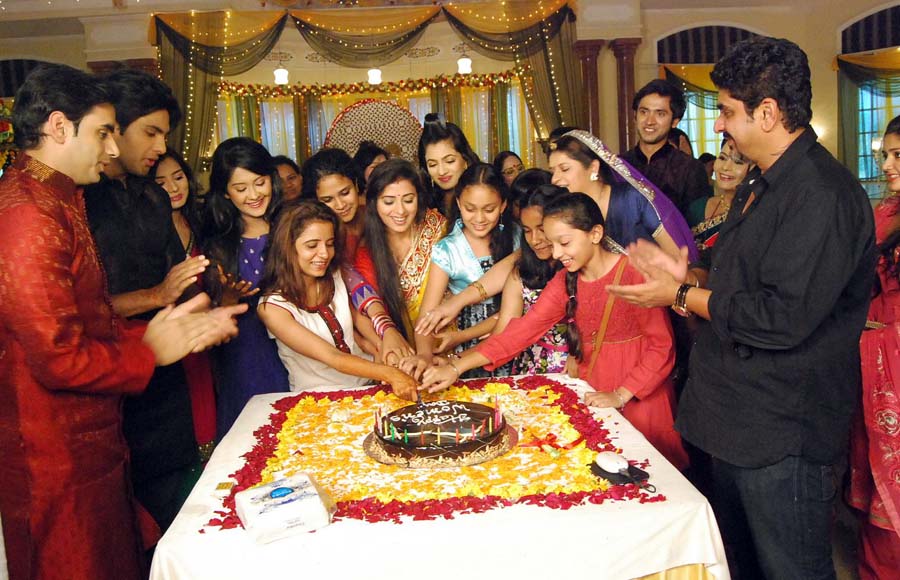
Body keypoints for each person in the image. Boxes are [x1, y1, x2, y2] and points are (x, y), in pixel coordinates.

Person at [607, 37, 876, 579]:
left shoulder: (822, 194)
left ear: (769, 113)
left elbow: (781, 317)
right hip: (730, 419)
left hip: (782, 431)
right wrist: (688, 275)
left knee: (790, 569)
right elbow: (738, 279)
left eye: (728, 112)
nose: (718, 127)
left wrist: (679, 296)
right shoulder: (760, 181)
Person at [0, 64, 241, 580]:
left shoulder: (57, 201)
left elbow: (87, 318)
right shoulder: (27, 216)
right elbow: (58, 354)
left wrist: (164, 333)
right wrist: (149, 348)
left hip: (92, 440)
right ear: (60, 128)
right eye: (104, 133)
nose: (113, 150)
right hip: (56, 454)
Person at [420, 193, 688, 469]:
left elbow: (662, 347)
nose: (556, 253)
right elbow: (520, 332)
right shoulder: (565, 281)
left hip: (641, 398)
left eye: (565, 242)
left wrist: (621, 394)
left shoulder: (634, 273)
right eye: (553, 243)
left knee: (648, 480)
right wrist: (456, 367)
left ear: (595, 233)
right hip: (594, 389)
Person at [83, 67, 209, 536]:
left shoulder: (152, 198)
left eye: (164, 134)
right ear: (114, 128)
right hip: (113, 375)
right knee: (121, 521)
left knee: (177, 504)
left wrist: (207, 309)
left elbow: (176, 280)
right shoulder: (81, 202)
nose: (160, 147)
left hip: (168, 378)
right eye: (150, 133)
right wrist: (155, 297)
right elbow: (80, 309)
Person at [257, 200, 417, 398]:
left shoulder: (335, 276)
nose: (324, 254)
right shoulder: (272, 308)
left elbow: (357, 321)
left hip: (368, 387)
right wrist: (390, 373)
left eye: (330, 244)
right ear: (287, 247)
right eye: (312, 245)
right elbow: (334, 358)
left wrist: (384, 348)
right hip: (318, 401)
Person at [200, 137, 291, 439]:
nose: (254, 195)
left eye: (260, 182)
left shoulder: (292, 227)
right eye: (241, 189)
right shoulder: (219, 245)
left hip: (300, 350)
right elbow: (211, 321)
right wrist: (227, 301)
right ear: (225, 193)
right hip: (247, 358)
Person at [301, 147, 414, 364]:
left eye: (345, 193)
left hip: (401, 307)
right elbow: (351, 288)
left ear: (355, 183)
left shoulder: (378, 212)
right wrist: (379, 340)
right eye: (328, 200)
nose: (341, 205)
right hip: (354, 321)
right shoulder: (324, 236)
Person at [405, 163, 518, 378]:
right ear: (458, 202)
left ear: (503, 205)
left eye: (489, 209)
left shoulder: (518, 238)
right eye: (470, 208)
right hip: (466, 349)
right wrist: (425, 355)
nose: (479, 218)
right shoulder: (447, 249)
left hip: (513, 339)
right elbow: (428, 314)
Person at [848, 115, 900, 579]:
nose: (886, 164)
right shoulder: (883, 214)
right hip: (878, 360)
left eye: (897, 155)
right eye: (884, 153)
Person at [150, 148, 218, 462]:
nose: (174, 188)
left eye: (178, 178)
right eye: (162, 182)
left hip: (216, 323)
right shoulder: (150, 232)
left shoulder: (201, 220)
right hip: (178, 329)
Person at [549, 130, 698, 262]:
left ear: (594, 167)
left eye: (564, 169)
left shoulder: (631, 200)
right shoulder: (568, 214)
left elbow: (678, 259)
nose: (554, 179)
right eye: (552, 171)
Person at [354, 159, 447, 339]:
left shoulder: (438, 229)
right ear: (373, 203)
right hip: (408, 352)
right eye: (389, 202)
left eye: (408, 200)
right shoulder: (368, 252)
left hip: (457, 341)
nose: (400, 211)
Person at [494, 184, 568, 375]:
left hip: (576, 370)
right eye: (527, 230)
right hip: (530, 372)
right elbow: (504, 333)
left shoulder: (578, 270)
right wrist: (454, 362)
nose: (534, 239)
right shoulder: (522, 273)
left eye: (541, 229)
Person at [620, 79, 711, 215]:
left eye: (660, 114)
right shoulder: (619, 164)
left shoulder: (690, 169)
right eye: (644, 112)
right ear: (635, 116)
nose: (649, 121)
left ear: (675, 122)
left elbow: (697, 226)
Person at [685, 137, 750, 251]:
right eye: (722, 158)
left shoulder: (756, 212)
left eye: (738, 162)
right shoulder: (698, 207)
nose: (725, 167)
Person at [418, 113, 479, 214]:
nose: (441, 171)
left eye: (450, 161)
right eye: (432, 164)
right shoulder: (425, 206)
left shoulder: (484, 196)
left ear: (465, 159)